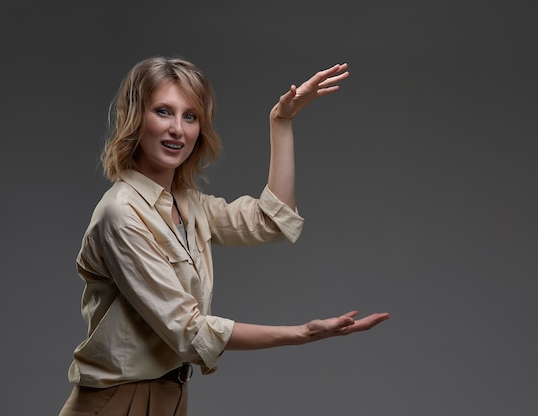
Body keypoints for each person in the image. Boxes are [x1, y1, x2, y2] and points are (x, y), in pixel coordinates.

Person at [58, 56, 389, 416]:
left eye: (190, 116)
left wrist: (281, 121)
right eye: (163, 112)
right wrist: (304, 332)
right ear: (136, 119)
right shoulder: (121, 213)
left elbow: (271, 221)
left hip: (172, 395)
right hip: (117, 402)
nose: (178, 130)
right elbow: (188, 331)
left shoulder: (187, 204)